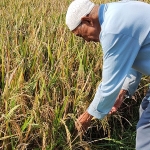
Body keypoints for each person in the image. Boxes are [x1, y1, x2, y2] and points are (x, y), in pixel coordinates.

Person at [65, 0, 150, 149]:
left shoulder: (112, 30)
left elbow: (108, 84)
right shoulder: (118, 11)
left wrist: (87, 117)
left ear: (87, 20)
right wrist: (122, 91)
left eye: (81, 36)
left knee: (146, 129)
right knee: (145, 109)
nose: (86, 41)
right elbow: (134, 55)